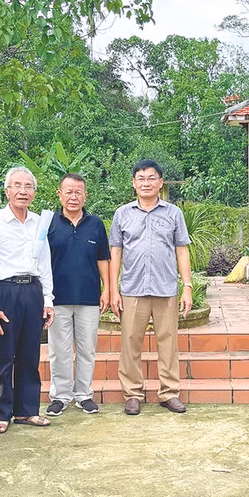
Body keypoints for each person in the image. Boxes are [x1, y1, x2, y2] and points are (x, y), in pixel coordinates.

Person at [109, 160, 193, 415]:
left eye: (151, 178)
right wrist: (113, 290)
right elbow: (115, 252)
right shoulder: (122, 214)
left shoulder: (173, 213)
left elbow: (182, 250)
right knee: (130, 343)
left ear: (160, 182)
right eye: (141, 178)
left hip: (165, 288)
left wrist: (187, 286)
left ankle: (169, 393)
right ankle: (133, 393)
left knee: (168, 344)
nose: (146, 183)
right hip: (132, 289)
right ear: (134, 183)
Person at [0, 166, 55, 434]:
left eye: (28, 187)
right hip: (4, 292)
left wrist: (48, 300)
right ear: (7, 190)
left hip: (32, 291)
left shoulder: (39, 223)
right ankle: (3, 413)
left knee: (30, 354)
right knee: (4, 355)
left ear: (34, 192)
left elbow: (45, 265)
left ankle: (27, 411)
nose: (23, 191)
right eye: (17, 186)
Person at [45, 173, 110, 416]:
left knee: (86, 349)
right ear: (59, 194)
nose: (73, 196)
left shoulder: (95, 224)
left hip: (89, 298)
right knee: (59, 351)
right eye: (68, 192)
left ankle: (83, 395)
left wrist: (108, 290)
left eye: (78, 192)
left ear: (85, 196)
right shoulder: (49, 223)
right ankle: (60, 396)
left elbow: (103, 258)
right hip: (57, 299)